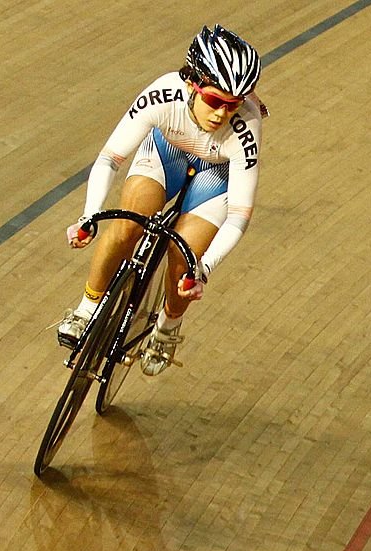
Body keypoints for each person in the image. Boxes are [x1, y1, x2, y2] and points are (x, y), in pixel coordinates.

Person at [57, 24, 266, 375]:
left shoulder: (246, 126)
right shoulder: (163, 94)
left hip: (215, 175)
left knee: (184, 256)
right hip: (167, 152)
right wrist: (88, 216)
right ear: (192, 84)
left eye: (232, 105)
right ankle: (85, 309)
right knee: (127, 225)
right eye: (214, 100)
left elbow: (239, 216)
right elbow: (110, 159)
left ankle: (167, 330)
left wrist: (204, 268)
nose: (221, 114)